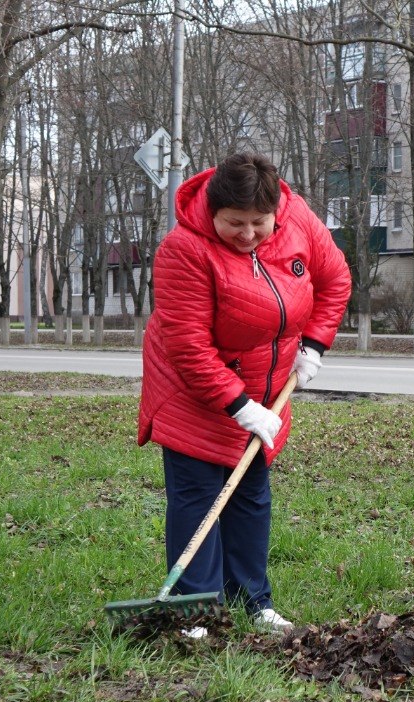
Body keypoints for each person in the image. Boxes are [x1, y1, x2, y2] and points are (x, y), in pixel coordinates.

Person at [138, 152, 351, 638]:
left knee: (251, 495)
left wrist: (315, 345)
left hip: (268, 389)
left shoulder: (298, 220)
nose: (250, 234)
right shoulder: (183, 250)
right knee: (197, 493)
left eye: (260, 222)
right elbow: (188, 345)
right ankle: (194, 608)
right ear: (213, 212)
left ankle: (253, 601)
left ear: (277, 210)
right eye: (235, 223)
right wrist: (237, 406)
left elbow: (335, 279)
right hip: (192, 390)